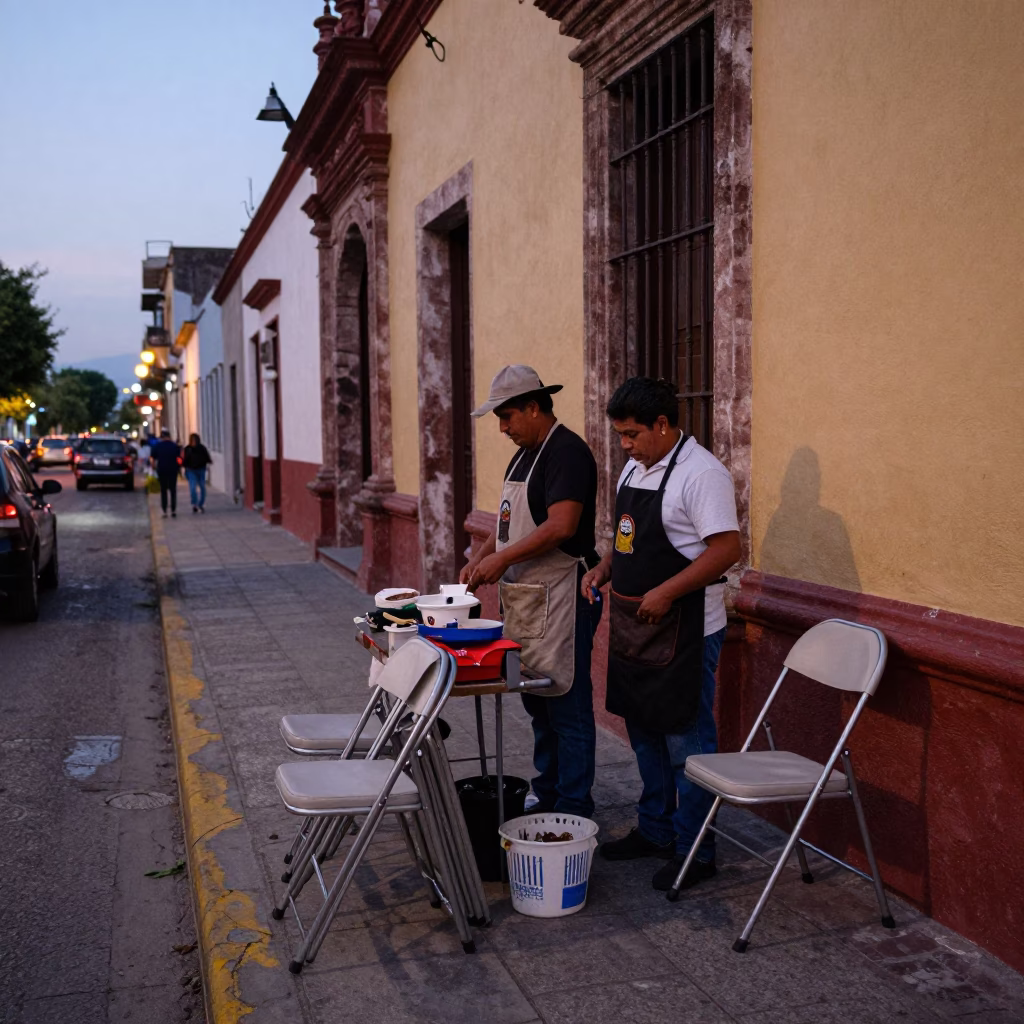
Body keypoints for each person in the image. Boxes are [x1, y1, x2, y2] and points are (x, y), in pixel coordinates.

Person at [582, 377, 741, 891]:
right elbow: (628, 539)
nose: (624, 445)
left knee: (685, 738)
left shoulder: (702, 475)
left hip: (686, 631)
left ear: (664, 425)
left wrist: (668, 591)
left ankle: (697, 847)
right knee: (644, 731)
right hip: (635, 625)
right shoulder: (636, 466)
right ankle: (655, 829)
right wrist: (604, 568)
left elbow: (725, 550)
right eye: (620, 435)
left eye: (632, 434)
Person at [460, 365, 601, 818]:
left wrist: (501, 560)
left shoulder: (567, 453)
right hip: (526, 598)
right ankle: (548, 790)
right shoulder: (523, 454)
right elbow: (504, 524)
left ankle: (575, 805)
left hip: (564, 594)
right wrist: (482, 554)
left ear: (534, 408)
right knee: (537, 701)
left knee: (568, 706)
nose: (502, 428)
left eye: (507, 417)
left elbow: (562, 526)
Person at [150, 428, 182, 518]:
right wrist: (179, 467)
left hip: (162, 469)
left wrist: (153, 467)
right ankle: (173, 510)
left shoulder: (158, 446)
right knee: (173, 490)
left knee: (163, 490)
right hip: (173, 469)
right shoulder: (174, 446)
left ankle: (164, 511)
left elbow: (153, 458)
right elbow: (179, 458)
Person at [182, 433, 212, 514]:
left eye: (195, 440)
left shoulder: (202, 448)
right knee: (192, 488)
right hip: (191, 470)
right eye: (192, 440)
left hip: (201, 470)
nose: (193, 442)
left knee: (202, 487)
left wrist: (209, 461)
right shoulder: (187, 449)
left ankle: (201, 504)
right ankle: (194, 504)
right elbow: (184, 460)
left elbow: (207, 457)